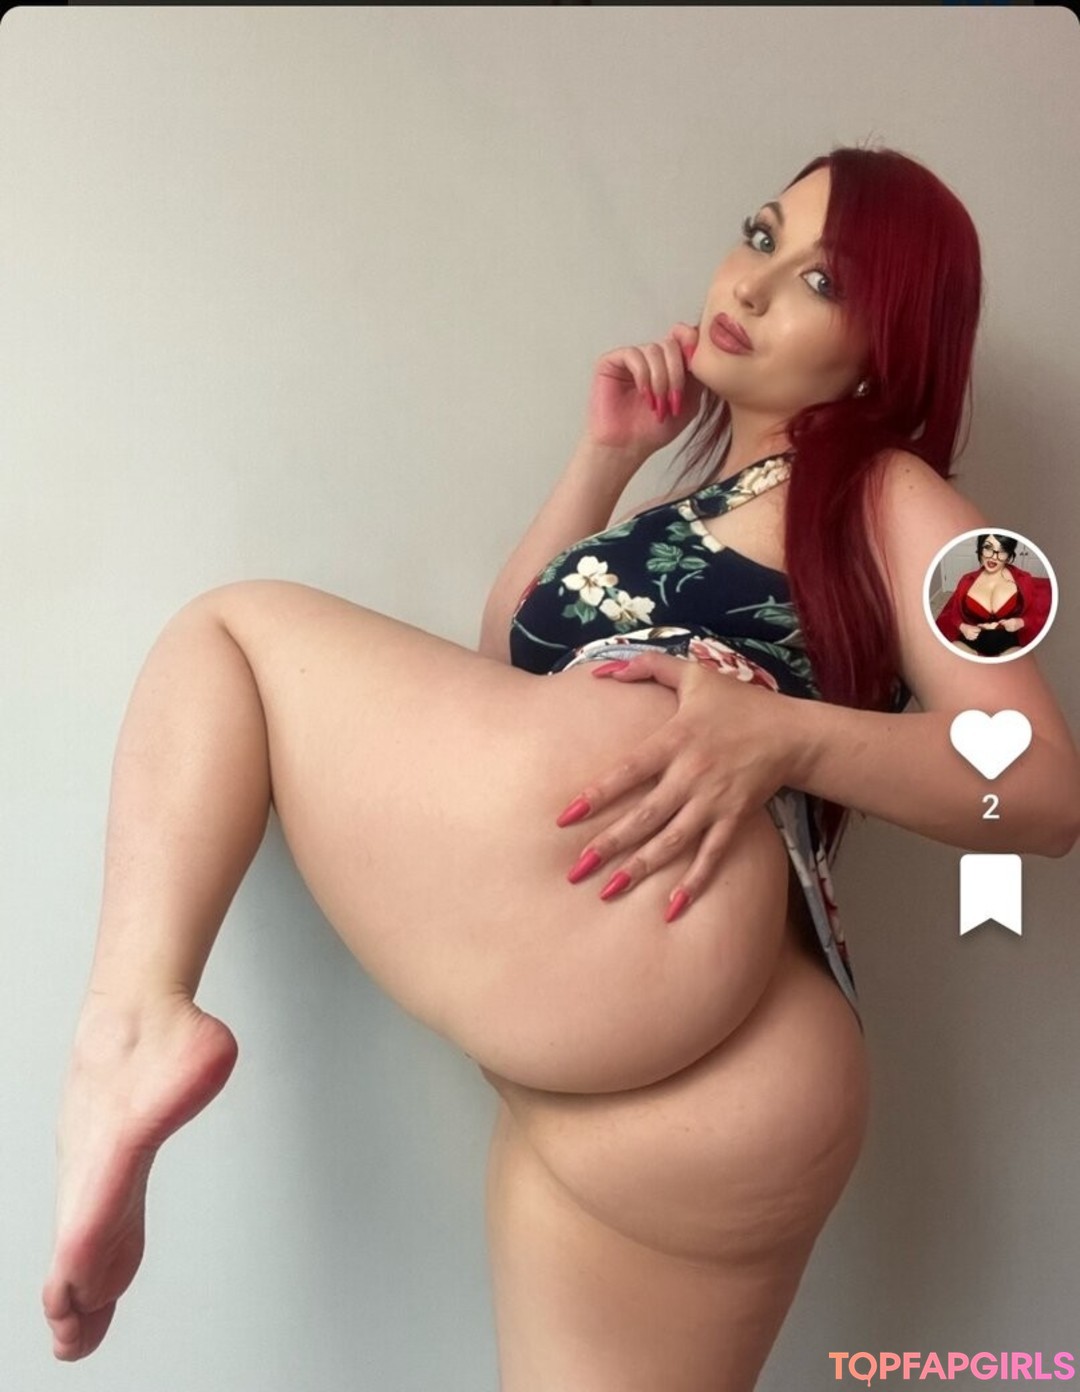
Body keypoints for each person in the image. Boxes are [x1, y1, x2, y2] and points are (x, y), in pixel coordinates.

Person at [42, 145, 1080, 1391]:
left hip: (709, 1001)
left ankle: (134, 1030)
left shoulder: (909, 501)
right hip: (655, 1048)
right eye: (760, 236)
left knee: (233, 635)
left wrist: (786, 736)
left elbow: (1040, 788)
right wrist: (607, 454)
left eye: (822, 281)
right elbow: (504, 675)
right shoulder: (679, 507)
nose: (751, 285)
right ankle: (135, 1034)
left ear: (886, 347)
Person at [934, 532, 1052, 657]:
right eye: (988, 548)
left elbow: (1035, 612)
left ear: (1009, 555)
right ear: (980, 549)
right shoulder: (966, 580)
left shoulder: (1024, 580)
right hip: (971, 641)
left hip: (1008, 642)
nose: (994, 557)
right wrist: (962, 626)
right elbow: (954, 612)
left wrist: (1021, 622)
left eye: (1002, 551)